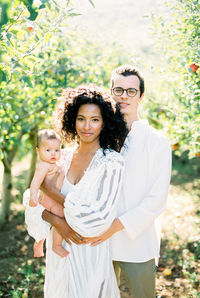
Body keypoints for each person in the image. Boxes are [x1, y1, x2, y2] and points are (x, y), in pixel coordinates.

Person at [23, 85, 128, 298]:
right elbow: (32, 201)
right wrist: (56, 221)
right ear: (72, 120)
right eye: (81, 118)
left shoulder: (111, 162)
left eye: (95, 119)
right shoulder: (60, 158)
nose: (86, 126)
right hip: (59, 253)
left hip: (89, 253)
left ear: (105, 122)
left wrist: (52, 191)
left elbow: (97, 220)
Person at [84, 65, 172, 298]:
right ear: (110, 92)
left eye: (131, 91)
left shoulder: (156, 142)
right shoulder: (98, 138)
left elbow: (156, 200)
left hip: (137, 243)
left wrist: (114, 226)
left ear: (141, 96)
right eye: (118, 90)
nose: (124, 96)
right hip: (98, 242)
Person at [29, 129, 68, 258]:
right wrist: (33, 195)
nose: (53, 154)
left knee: (46, 224)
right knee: (62, 216)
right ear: (38, 151)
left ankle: (39, 243)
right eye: (48, 150)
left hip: (53, 198)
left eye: (57, 150)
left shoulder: (55, 163)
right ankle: (56, 245)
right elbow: (36, 181)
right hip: (48, 200)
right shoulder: (44, 165)